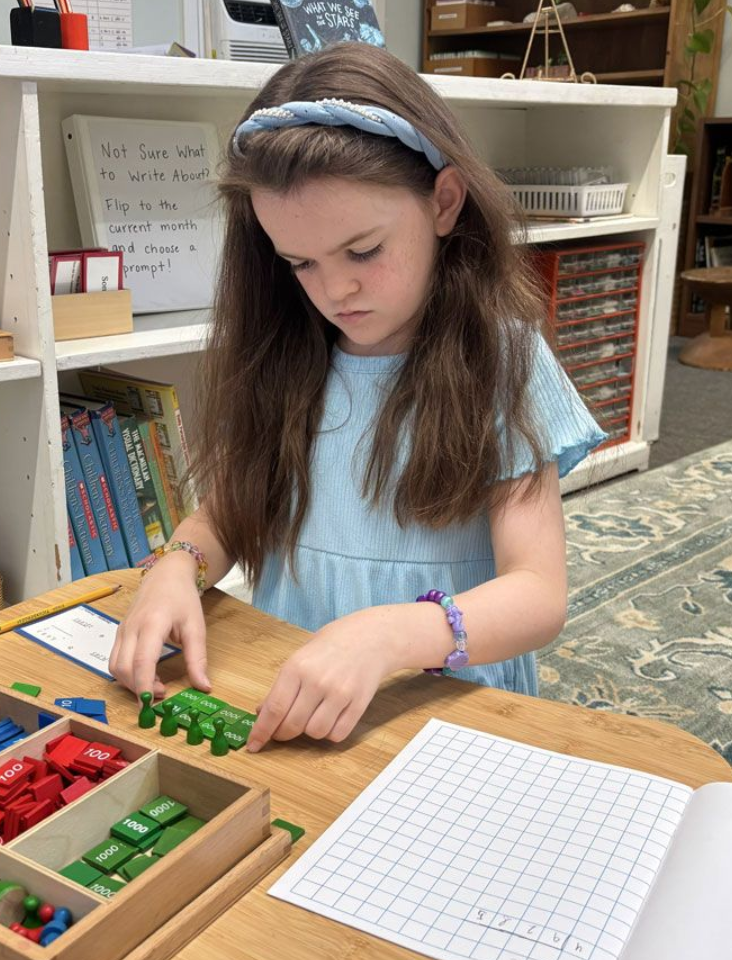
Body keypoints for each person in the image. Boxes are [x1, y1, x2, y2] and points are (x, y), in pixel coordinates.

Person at [108, 43, 605, 751]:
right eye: (299, 263)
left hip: (446, 713)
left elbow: (537, 594)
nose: (333, 291)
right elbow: (231, 514)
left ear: (444, 202)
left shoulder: (503, 360)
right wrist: (175, 569)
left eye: (364, 251)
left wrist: (393, 634)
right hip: (294, 698)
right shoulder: (289, 354)